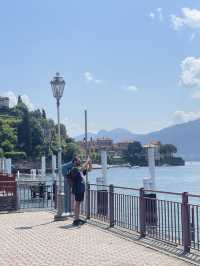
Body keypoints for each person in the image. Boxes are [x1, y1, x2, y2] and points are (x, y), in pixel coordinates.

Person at [69, 156, 92, 226]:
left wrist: (90, 164)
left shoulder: (79, 169)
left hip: (81, 189)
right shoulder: (74, 169)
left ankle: (77, 218)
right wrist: (87, 162)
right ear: (75, 162)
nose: (80, 161)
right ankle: (76, 220)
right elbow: (81, 169)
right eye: (78, 160)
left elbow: (89, 170)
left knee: (78, 204)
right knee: (77, 203)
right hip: (78, 189)